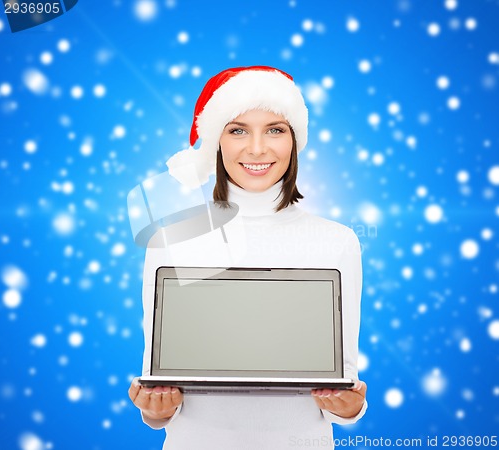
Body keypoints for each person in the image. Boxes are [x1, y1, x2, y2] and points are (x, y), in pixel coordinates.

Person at [128, 66, 367, 449]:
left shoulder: (336, 241)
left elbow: (343, 379)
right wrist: (155, 409)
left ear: (295, 140)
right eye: (238, 130)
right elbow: (159, 380)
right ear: (216, 142)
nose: (257, 148)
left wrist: (351, 407)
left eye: (275, 129)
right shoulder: (171, 240)